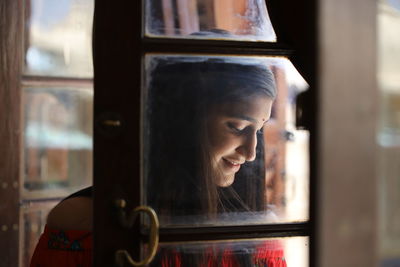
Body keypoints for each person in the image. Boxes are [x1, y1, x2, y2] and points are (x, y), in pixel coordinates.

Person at [30, 57, 286, 267]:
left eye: (259, 130)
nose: (252, 152)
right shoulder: (84, 221)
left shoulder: (255, 229)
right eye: (237, 126)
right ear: (182, 122)